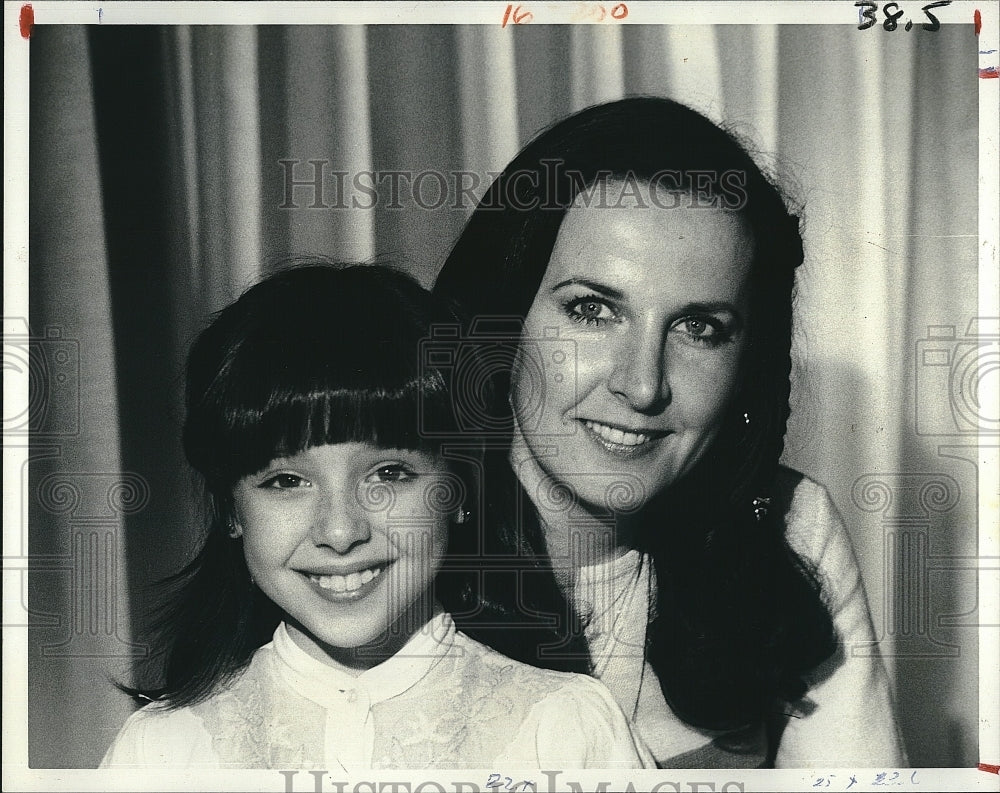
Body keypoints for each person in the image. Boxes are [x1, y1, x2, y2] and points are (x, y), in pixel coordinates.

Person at [433, 97, 908, 768]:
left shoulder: (789, 526)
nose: (644, 383)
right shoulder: (378, 531)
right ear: (500, 322)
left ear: (749, 365)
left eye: (699, 328)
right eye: (592, 310)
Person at [100, 263, 652, 770]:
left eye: (389, 474)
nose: (340, 532)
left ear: (458, 486)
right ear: (231, 511)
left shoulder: (567, 728)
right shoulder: (160, 749)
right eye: (285, 482)